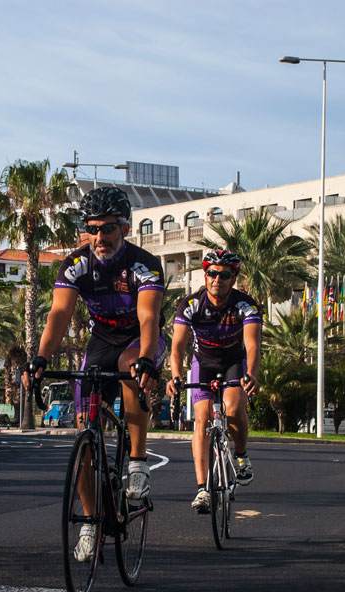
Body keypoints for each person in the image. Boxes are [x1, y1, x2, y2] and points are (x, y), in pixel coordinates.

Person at [23, 186, 164, 561]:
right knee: (86, 432)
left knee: (130, 366)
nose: (100, 237)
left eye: (108, 228)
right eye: (92, 229)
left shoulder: (144, 265)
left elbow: (148, 316)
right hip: (101, 341)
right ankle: (90, 522)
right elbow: (59, 314)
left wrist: (146, 358)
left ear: (125, 228)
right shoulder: (75, 265)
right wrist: (40, 358)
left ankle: (137, 461)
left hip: (139, 339)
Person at [165, 249, 261, 514]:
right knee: (202, 418)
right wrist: (176, 376)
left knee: (234, 408)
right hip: (203, 363)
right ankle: (202, 489)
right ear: (205, 276)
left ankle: (241, 456)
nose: (217, 279)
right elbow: (177, 347)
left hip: (233, 362)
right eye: (212, 273)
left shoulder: (246, 305)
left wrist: (251, 374)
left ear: (233, 278)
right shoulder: (190, 305)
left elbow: (253, 345)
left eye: (224, 275)